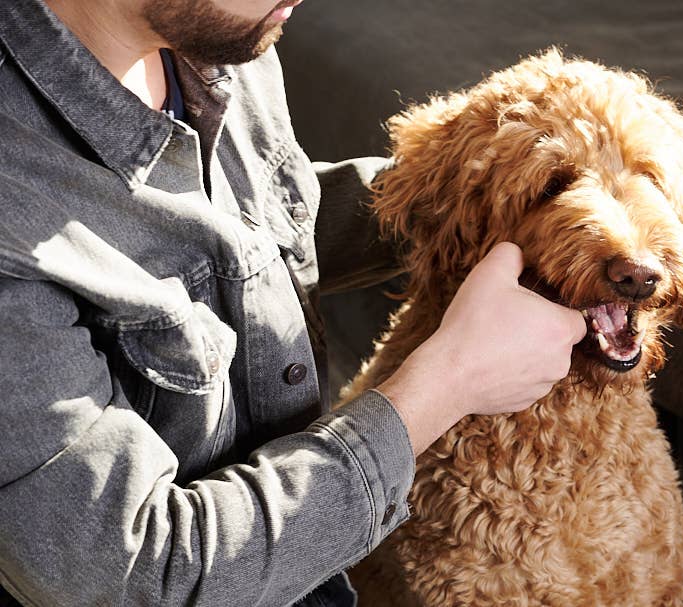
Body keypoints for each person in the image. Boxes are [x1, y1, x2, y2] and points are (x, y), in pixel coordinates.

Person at [0, 0, 586, 605]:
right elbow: (145, 579)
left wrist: (482, 200)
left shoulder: (222, 36)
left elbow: (242, 245)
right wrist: (447, 384)